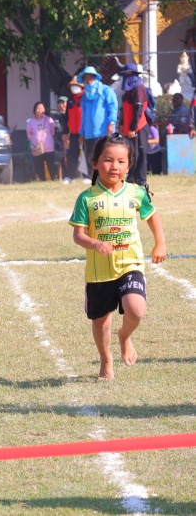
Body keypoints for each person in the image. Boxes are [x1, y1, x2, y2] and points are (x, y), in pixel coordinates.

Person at [69, 134, 166, 380]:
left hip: (130, 264)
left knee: (136, 309)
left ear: (129, 165)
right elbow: (78, 235)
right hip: (99, 272)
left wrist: (160, 243)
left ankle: (124, 335)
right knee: (101, 322)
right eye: (108, 160)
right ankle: (106, 361)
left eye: (121, 161)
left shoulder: (136, 193)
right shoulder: (87, 198)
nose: (115, 166)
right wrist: (95, 243)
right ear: (95, 163)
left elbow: (152, 216)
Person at [78, 66, 117, 182]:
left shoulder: (105, 90)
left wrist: (111, 122)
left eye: (91, 77)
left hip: (103, 130)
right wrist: (82, 131)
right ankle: (92, 177)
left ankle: (106, 176)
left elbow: (113, 107)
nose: (88, 79)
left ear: (95, 78)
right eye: (86, 77)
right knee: (90, 155)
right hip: (89, 132)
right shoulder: (84, 95)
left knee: (104, 154)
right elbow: (83, 115)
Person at [118, 63, 150, 187]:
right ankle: (131, 179)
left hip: (139, 128)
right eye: (125, 74)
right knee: (131, 154)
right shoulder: (127, 92)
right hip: (128, 128)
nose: (127, 76)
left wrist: (132, 128)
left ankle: (141, 181)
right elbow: (124, 110)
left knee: (139, 154)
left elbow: (138, 109)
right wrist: (122, 124)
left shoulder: (139, 89)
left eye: (129, 74)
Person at [26, 102, 58, 181]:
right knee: (39, 167)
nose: (40, 110)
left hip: (49, 148)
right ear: (34, 110)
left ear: (44, 110)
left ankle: (54, 180)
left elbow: (53, 132)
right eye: (38, 108)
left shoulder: (49, 120)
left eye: (41, 108)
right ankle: (42, 181)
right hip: (37, 149)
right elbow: (29, 134)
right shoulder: (30, 122)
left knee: (51, 166)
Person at [63, 78, 84, 183]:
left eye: (76, 85)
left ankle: (88, 176)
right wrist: (65, 132)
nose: (74, 87)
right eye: (72, 85)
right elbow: (66, 117)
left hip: (84, 132)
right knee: (72, 154)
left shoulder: (85, 98)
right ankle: (69, 176)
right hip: (73, 132)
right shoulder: (70, 101)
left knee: (85, 154)